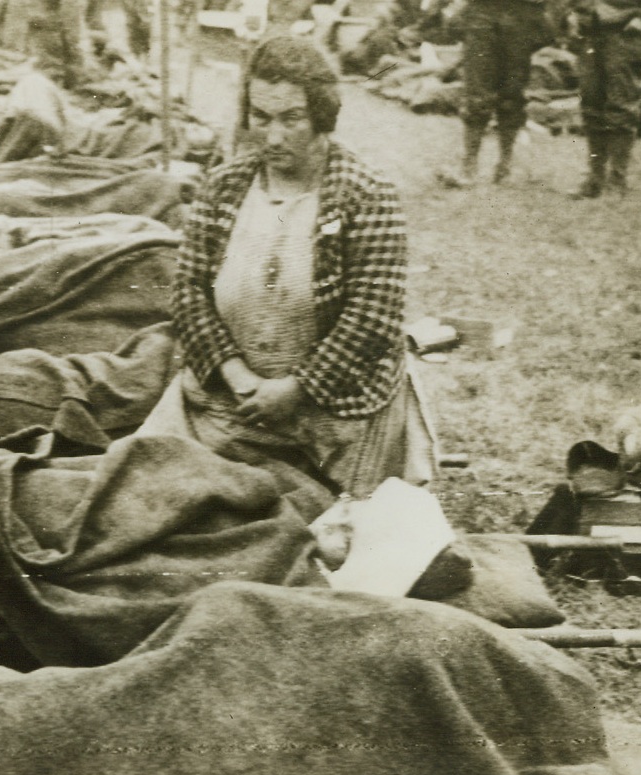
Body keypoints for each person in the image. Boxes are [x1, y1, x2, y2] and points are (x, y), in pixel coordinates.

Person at [158, 32, 434, 498]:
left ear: (322, 116)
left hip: (337, 415)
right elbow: (188, 291)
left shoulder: (367, 194)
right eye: (261, 117)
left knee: (330, 529)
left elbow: (374, 316)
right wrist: (237, 377)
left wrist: (298, 389)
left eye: (292, 118)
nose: (274, 136)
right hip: (231, 405)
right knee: (157, 493)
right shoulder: (224, 186)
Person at [438, 0, 557, 187]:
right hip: (482, 13)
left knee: (512, 96)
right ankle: (468, 168)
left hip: (522, 14)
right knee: (477, 95)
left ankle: (505, 167)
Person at [569, 0, 641, 197]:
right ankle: (595, 179)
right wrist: (572, 13)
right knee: (591, 105)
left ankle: (617, 180)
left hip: (627, 34)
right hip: (592, 30)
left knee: (621, 106)